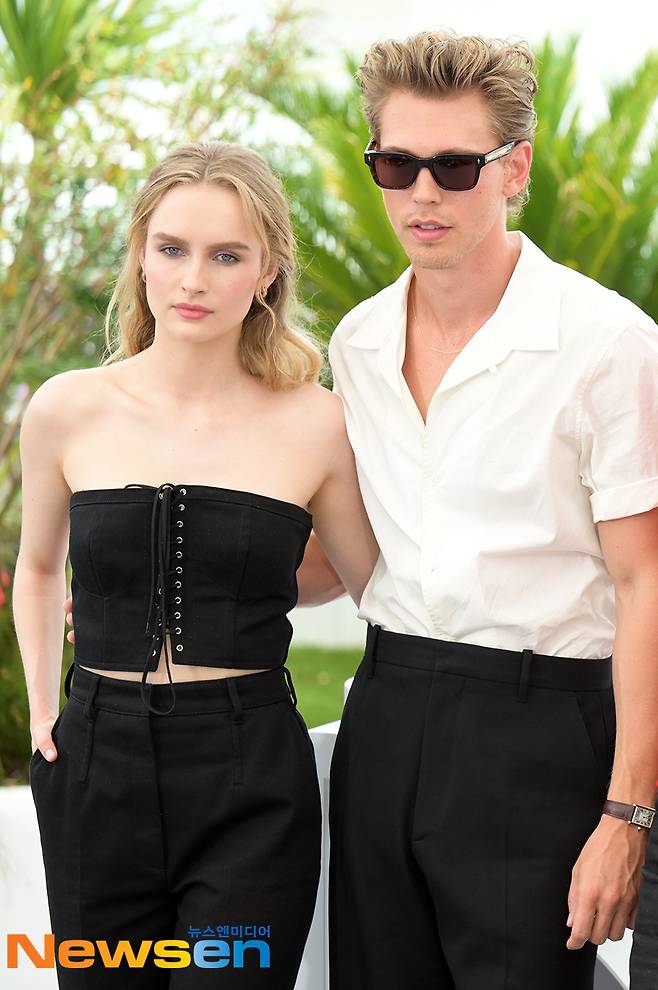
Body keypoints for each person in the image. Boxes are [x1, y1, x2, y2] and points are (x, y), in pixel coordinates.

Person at [318, 29, 658, 990]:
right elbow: (345, 549)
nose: (422, 194)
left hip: (538, 731)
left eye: (455, 166)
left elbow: (647, 586)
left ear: (516, 170)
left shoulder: (608, 344)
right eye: (397, 165)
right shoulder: (357, 344)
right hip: (385, 715)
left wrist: (627, 816)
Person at [14, 140, 378, 989]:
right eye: (173, 249)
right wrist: (43, 712)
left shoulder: (317, 423)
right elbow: (37, 568)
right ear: (141, 254)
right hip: (94, 767)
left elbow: (370, 584)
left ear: (267, 271)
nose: (193, 279)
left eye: (226, 256)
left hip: (251, 779)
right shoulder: (68, 408)